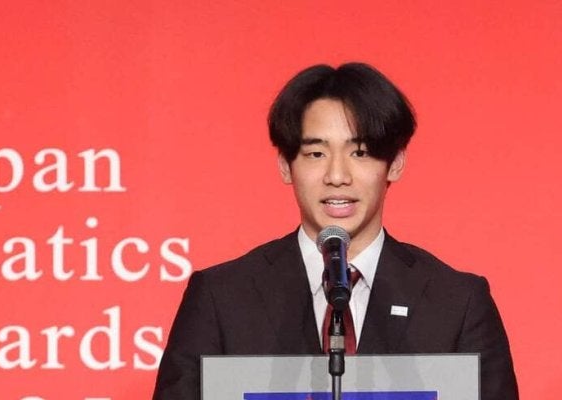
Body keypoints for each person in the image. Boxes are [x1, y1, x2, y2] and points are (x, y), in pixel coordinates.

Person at [153, 62, 519, 400]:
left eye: (360, 153)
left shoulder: (457, 303)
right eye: (316, 154)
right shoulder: (221, 298)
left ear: (395, 163)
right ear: (285, 166)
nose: (337, 175)